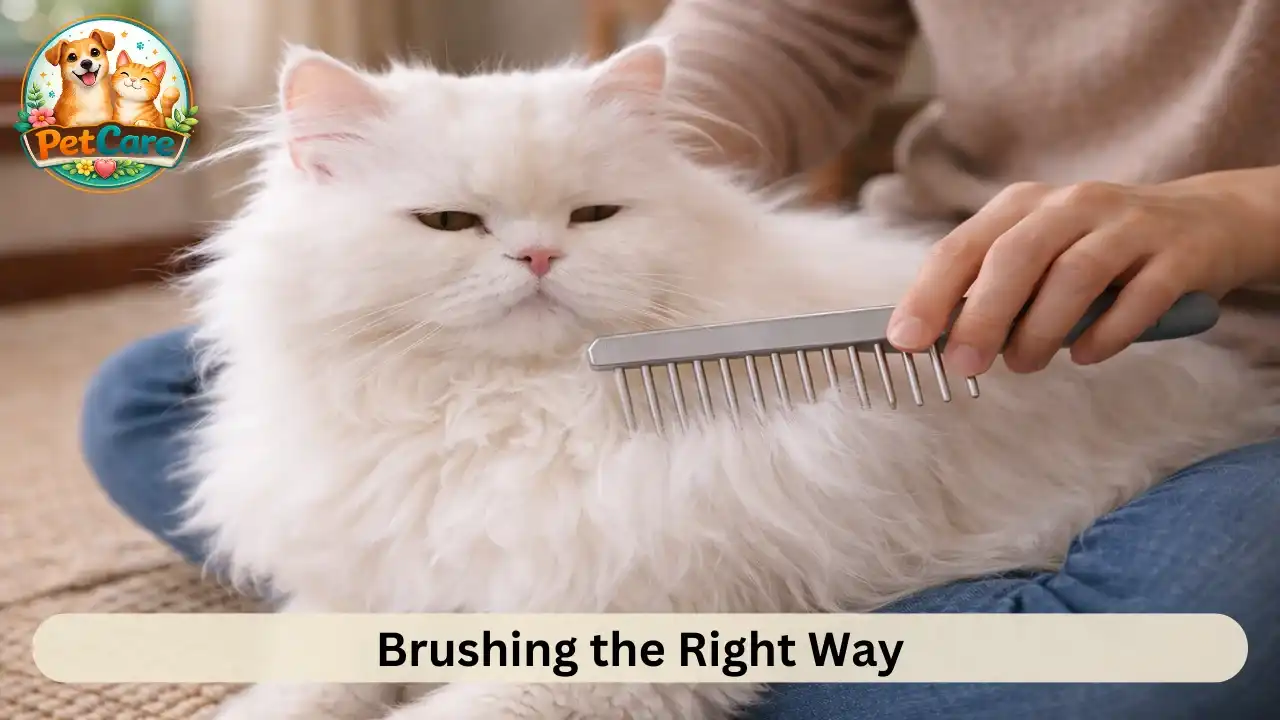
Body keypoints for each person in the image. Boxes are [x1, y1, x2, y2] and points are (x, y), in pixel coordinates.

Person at [81, 1, 1280, 718]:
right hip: (945, 270)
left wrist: (1241, 211)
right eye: (452, 225)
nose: (535, 259)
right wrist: (581, 140)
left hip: (1222, 352)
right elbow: (783, 25)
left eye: (587, 225)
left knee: (1181, 635)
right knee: (140, 396)